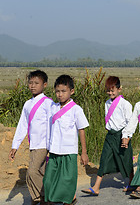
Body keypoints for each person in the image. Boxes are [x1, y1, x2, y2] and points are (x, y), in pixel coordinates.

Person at [81, 76, 134, 196]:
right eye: (108, 91)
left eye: (112, 90)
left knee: (125, 159)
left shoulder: (125, 104)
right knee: (104, 159)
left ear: (119, 89)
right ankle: (96, 187)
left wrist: (127, 137)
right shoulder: (107, 103)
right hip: (110, 136)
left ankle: (132, 181)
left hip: (122, 135)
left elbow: (130, 122)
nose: (110, 93)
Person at [8, 70, 53, 205]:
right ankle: (43, 198)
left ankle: (41, 197)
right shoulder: (27, 104)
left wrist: (52, 145)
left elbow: (52, 125)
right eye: (30, 83)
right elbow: (22, 125)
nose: (32, 86)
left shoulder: (48, 103)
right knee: (41, 172)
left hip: (43, 144)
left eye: (36, 83)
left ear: (44, 85)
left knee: (31, 172)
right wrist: (15, 145)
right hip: (33, 144)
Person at [43, 75, 89, 205]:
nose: (60, 94)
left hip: (69, 150)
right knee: (49, 180)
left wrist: (84, 152)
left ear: (71, 91)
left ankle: (70, 199)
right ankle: (50, 199)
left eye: (63, 91)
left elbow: (81, 130)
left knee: (67, 179)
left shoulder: (76, 109)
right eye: (57, 91)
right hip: (54, 150)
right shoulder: (53, 108)